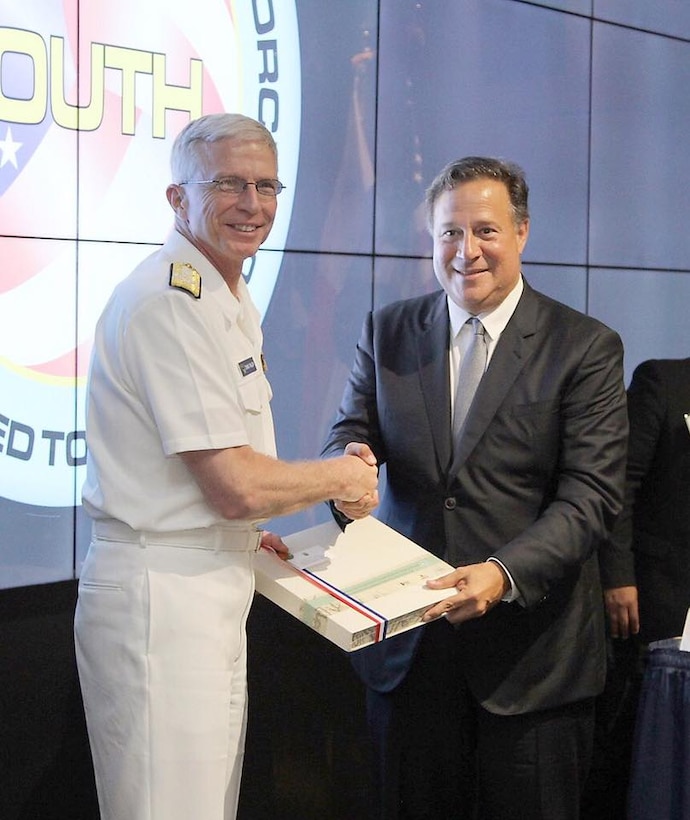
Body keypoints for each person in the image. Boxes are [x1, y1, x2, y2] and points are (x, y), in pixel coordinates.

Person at [74, 112, 378, 820]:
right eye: (230, 184)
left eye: (267, 185)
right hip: (164, 601)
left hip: (201, 586)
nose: (254, 204)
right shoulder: (170, 302)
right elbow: (236, 486)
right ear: (178, 198)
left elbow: (222, 493)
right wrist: (341, 477)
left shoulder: (223, 293)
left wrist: (244, 538)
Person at [321, 156, 628, 820]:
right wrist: (346, 472)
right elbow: (349, 432)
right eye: (449, 234)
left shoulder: (584, 347)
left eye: (485, 231)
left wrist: (502, 572)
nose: (467, 251)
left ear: (521, 233)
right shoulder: (388, 331)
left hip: (533, 667)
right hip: (410, 656)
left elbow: (592, 496)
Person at [592, 357, 690, 817]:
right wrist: (618, 576)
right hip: (656, 607)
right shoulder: (665, 381)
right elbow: (619, 487)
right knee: (642, 757)